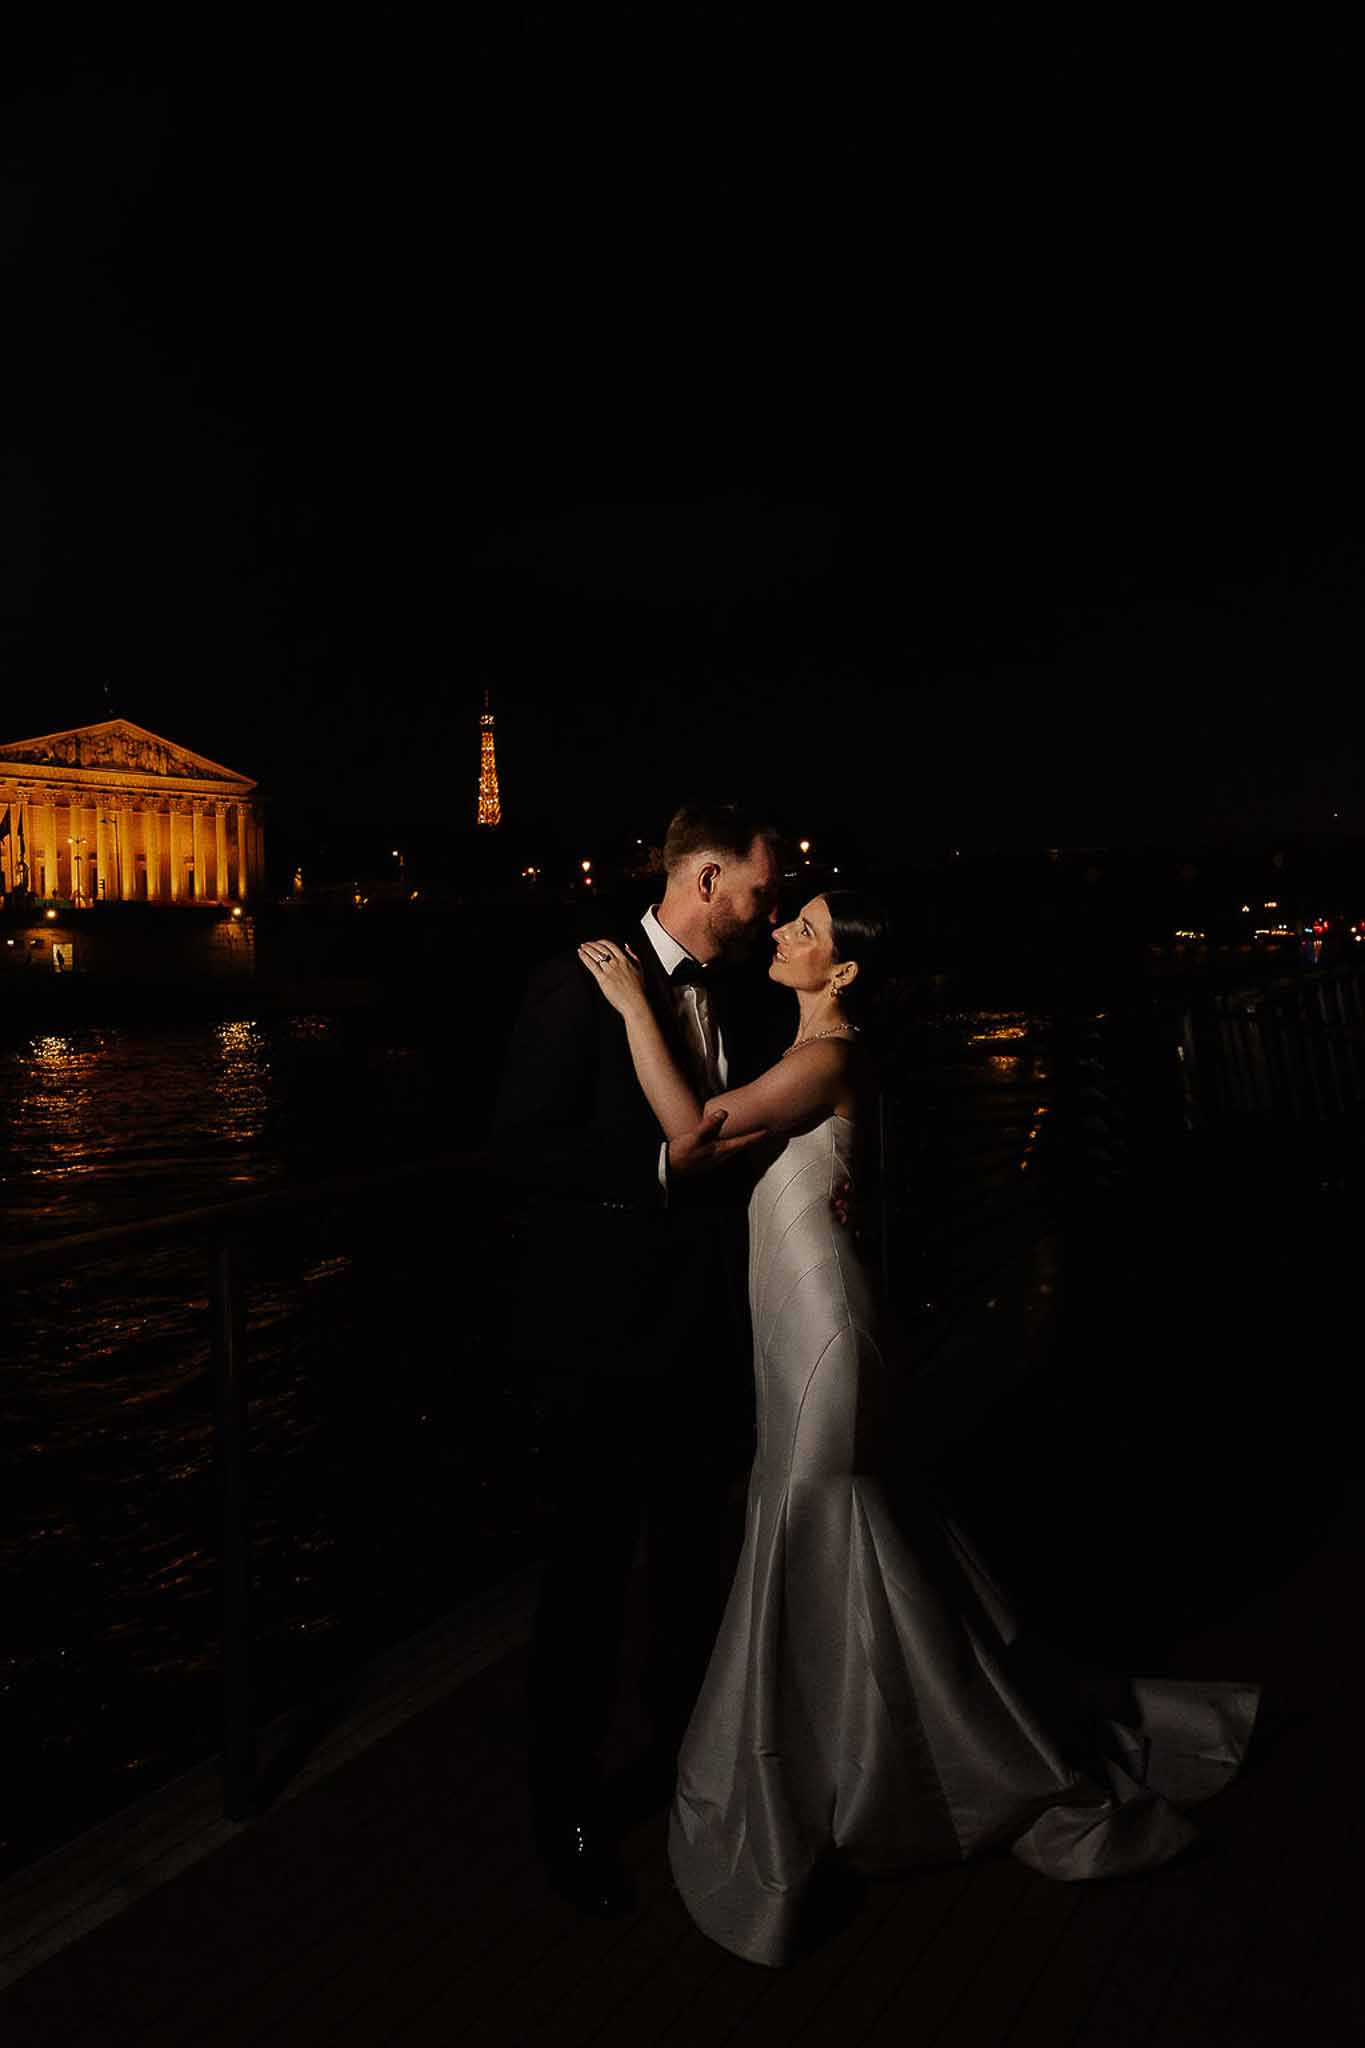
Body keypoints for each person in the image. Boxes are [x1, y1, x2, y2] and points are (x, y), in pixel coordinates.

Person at [579, 889, 1261, 1968]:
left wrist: (629, 1007)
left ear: (841, 974)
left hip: (821, 1327)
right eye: (787, 919)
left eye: (806, 932)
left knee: (820, 1520)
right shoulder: (807, 1046)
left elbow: (691, 1132)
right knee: (856, 1535)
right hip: (802, 1318)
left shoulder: (831, 1055)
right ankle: (871, 1748)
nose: (785, 936)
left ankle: (879, 1768)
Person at [491, 800, 786, 1917]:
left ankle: (683, 1767)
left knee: (687, 1571)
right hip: (603, 1349)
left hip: (711, 1333)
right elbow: (519, 1146)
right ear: (705, 880)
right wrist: (659, 1171)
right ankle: (564, 1812)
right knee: (584, 1590)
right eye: (757, 891)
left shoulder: (753, 994)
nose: (766, 913)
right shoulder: (576, 983)